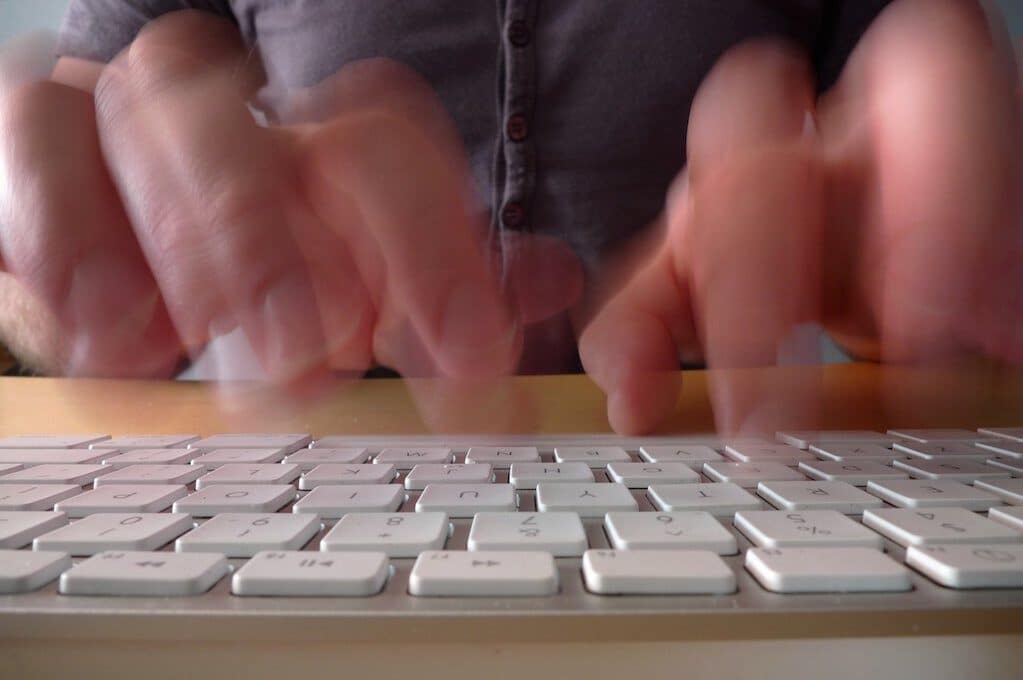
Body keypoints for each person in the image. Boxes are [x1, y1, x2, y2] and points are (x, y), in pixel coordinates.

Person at [0, 0, 1019, 434]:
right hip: (310, 459)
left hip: (718, 448)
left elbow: (925, 167)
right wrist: (72, 279)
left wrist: (914, 272)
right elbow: (38, 271)